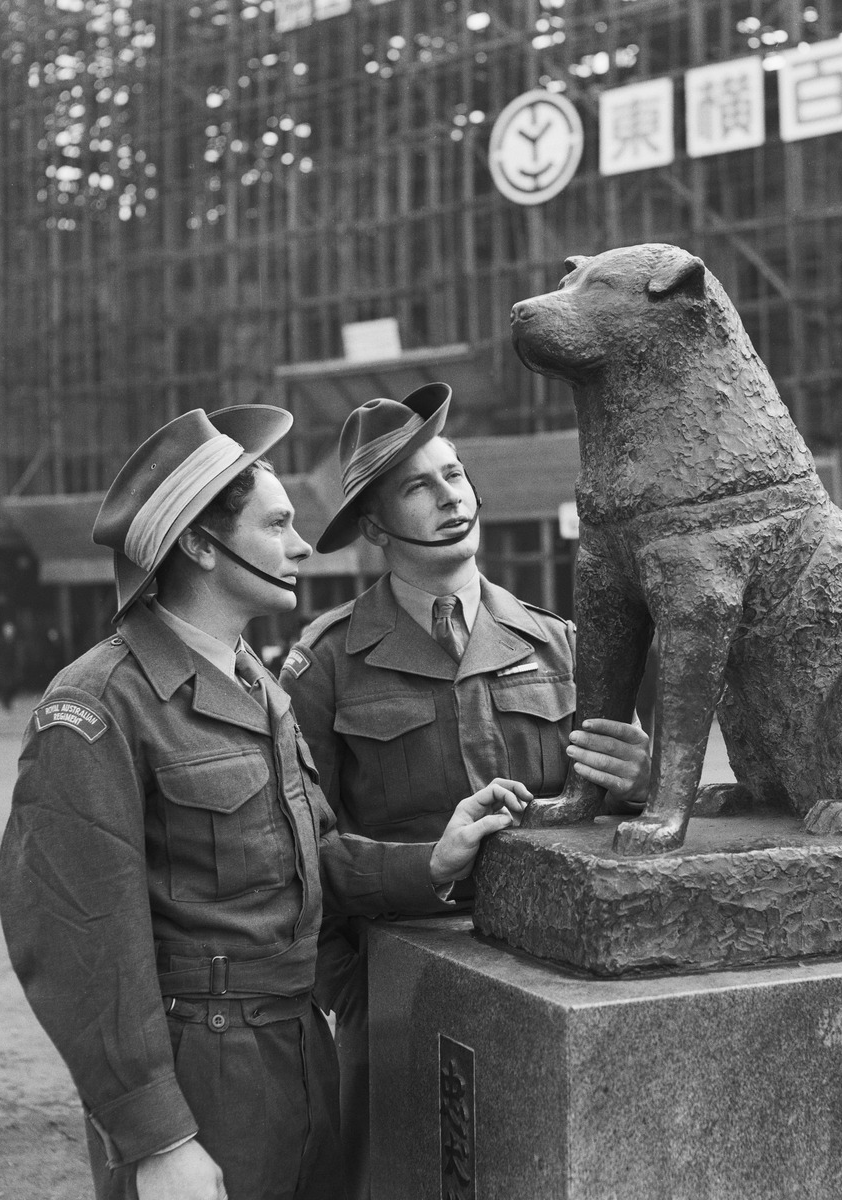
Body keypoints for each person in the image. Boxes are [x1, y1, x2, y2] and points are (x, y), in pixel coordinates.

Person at [0, 405, 527, 1200]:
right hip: (200, 1072)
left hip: (296, 1049)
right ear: (202, 545)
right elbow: (76, 940)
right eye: (276, 524)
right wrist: (157, 1137)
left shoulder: (256, 686)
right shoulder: (101, 704)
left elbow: (309, 860)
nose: (302, 544)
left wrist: (435, 861)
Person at [281, 384, 651, 1200]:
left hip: (555, 979)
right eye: (419, 486)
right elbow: (303, 859)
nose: (450, 498)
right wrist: (421, 882)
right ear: (375, 528)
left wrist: (645, 784)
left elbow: (624, 823)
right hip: (401, 995)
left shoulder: (565, 647)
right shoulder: (328, 664)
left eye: (454, 475)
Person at [0, 621, 23, 711]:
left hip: (13, 666)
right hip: (3, 666)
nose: (9, 632)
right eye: (7, 630)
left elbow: (18, 654)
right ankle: (5, 703)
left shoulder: (15, 641)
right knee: (4, 685)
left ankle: (8, 701)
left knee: (14, 684)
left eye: (10, 630)